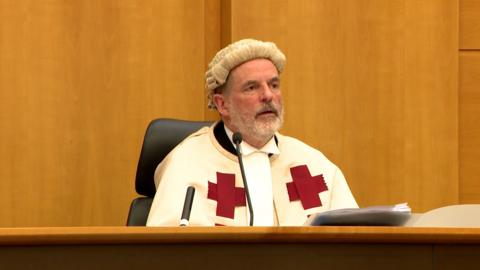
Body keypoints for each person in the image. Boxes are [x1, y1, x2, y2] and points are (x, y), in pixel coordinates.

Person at [146, 39, 357, 226]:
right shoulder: (187, 164)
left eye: (274, 85)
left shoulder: (313, 163)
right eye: (251, 88)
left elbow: (354, 242)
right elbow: (167, 251)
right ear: (222, 104)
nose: (268, 95)